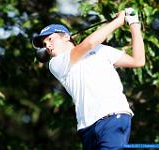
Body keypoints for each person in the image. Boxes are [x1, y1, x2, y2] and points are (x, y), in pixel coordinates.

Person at [32, 8, 145, 150]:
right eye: (44, 44)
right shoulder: (55, 64)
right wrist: (118, 22)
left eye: (50, 39)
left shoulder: (101, 50)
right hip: (86, 129)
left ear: (66, 37)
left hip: (113, 117)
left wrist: (134, 24)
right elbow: (88, 44)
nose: (47, 45)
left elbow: (138, 61)